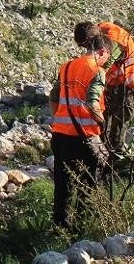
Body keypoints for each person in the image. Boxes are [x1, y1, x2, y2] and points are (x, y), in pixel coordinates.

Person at [48, 33, 119, 229]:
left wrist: (60, 120)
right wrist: (103, 126)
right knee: (88, 185)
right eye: (107, 57)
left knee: (63, 185)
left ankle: (60, 227)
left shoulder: (67, 66)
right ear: (103, 51)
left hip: (60, 135)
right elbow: (92, 102)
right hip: (84, 138)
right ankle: (82, 228)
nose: (107, 61)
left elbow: (53, 98)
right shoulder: (97, 70)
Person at [74, 20, 134, 151]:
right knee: (104, 115)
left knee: (120, 117)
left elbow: (104, 65)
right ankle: (102, 148)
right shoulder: (99, 33)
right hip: (112, 81)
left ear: (90, 39)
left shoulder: (113, 40)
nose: (85, 49)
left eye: (84, 45)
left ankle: (114, 154)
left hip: (126, 82)